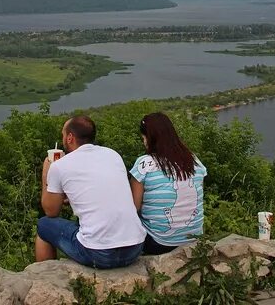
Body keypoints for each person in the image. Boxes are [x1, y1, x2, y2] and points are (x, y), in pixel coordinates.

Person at [36, 115, 146, 268]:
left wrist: (45, 175)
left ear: (69, 137)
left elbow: (51, 211)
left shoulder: (59, 166)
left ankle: (46, 277)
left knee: (43, 225)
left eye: (63, 135)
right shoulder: (112, 155)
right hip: (134, 248)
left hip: (99, 254)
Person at [129, 112, 207, 255]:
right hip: (194, 238)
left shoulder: (144, 164)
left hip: (158, 242)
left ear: (149, 138)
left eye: (144, 138)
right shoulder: (194, 160)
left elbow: (134, 208)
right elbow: (197, 196)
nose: (144, 142)